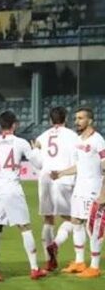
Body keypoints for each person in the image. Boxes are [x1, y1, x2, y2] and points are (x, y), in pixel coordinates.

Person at [0, 111, 46, 281]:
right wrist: (36, 149)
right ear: (14, 125)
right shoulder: (21, 142)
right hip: (12, 188)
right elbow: (39, 164)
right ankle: (34, 268)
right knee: (25, 227)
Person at [49, 107, 105, 277]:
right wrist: (61, 173)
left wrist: (103, 193)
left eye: (80, 118)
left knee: (93, 228)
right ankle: (80, 262)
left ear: (90, 120)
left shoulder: (98, 140)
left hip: (94, 191)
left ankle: (94, 266)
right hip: (79, 189)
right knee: (76, 223)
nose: (77, 121)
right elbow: (79, 166)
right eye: (75, 118)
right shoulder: (78, 141)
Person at [34, 107, 78, 271]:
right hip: (63, 177)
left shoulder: (43, 136)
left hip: (45, 178)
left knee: (48, 219)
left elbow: (36, 155)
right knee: (72, 219)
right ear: (65, 118)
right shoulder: (73, 136)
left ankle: (49, 261)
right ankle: (55, 244)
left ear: (50, 120)